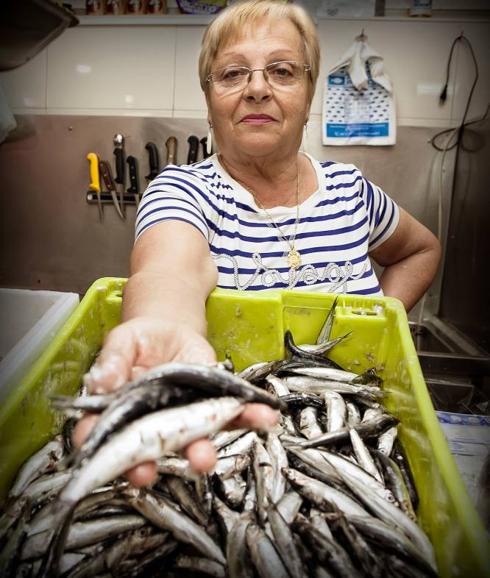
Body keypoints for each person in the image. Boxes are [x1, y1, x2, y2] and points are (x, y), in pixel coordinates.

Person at [75, 0, 441, 486]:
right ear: (208, 100)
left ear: (309, 95)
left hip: (349, 432)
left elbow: (422, 249)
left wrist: (381, 319)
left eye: (282, 71)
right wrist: (160, 328)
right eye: (232, 74)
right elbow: (169, 271)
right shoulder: (183, 192)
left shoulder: (351, 190)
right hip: (229, 436)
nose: (257, 89)